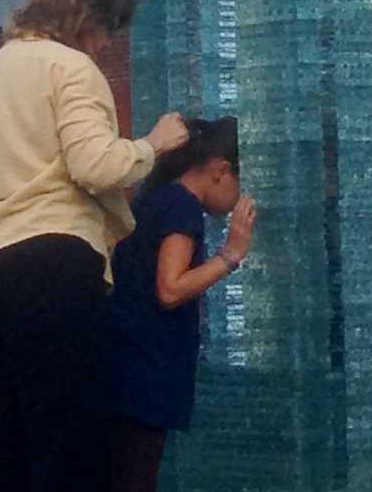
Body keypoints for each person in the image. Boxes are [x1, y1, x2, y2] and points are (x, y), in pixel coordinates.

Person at [0, 0, 188, 492]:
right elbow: (96, 166)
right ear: (87, 20)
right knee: (66, 442)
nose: (108, 45)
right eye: (108, 31)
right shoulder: (70, 68)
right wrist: (154, 144)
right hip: (48, 262)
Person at [99, 116, 257, 492]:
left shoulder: (155, 198)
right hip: (144, 374)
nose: (240, 200)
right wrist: (230, 256)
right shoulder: (181, 207)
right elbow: (169, 289)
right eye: (241, 186)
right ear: (221, 170)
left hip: (122, 368)